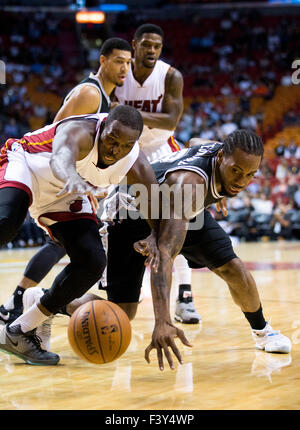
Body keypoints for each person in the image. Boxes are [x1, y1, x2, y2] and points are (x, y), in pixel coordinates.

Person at [23, 129, 292, 370]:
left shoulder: (221, 151)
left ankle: (263, 330)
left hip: (181, 210)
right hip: (131, 214)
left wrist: (223, 190)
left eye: (249, 175)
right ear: (221, 157)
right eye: (236, 171)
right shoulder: (190, 185)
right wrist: (162, 320)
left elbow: (196, 141)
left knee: (232, 267)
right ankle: (45, 299)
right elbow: (163, 256)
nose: (242, 180)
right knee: (121, 314)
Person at [0, 104, 160, 365]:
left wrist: (155, 235)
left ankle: (18, 331)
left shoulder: (135, 161)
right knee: (6, 222)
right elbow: (60, 159)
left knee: (92, 262)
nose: (115, 150)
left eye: (125, 145)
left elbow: (156, 203)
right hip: (28, 164)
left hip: (67, 193)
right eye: (111, 140)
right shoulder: (81, 130)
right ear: (103, 127)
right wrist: (72, 177)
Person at [0, 37, 132, 326]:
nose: (125, 68)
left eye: (128, 63)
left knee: (77, 248)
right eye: (119, 61)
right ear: (103, 60)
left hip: (68, 179)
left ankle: (18, 302)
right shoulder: (90, 93)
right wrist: (74, 177)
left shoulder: (107, 101)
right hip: (45, 166)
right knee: (15, 224)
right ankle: (18, 299)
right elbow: (58, 129)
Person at [113, 23, 201, 324]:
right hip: (125, 153)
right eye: (146, 44)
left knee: (178, 223)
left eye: (157, 46)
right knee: (116, 220)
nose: (151, 50)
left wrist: (126, 112)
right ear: (134, 44)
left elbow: (170, 120)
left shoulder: (170, 76)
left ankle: (185, 294)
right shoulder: (119, 75)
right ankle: (113, 283)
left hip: (162, 151)